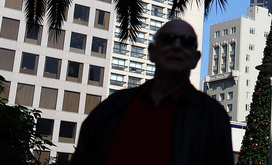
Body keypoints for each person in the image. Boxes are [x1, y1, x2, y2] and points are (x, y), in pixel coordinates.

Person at [72, 18, 234, 165]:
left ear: (195, 59)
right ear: (152, 51)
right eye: (168, 39)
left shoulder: (212, 117)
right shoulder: (111, 108)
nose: (177, 46)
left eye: (187, 42)